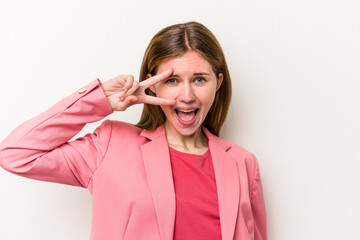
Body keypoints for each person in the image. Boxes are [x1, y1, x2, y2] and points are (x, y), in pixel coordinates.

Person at [0, 21, 266, 240]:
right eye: (172, 80)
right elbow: (15, 154)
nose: (187, 96)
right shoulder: (110, 146)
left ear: (217, 83)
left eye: (199, 79)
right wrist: (99, 98)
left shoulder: (243, 163)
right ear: (153, 85)